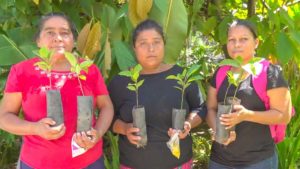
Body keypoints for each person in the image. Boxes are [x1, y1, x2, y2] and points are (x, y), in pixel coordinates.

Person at [0, 12, 114, 169]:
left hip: (89, 162)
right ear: (38, 41)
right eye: (50, 32)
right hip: (37, 163)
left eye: (64, 33)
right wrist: (35, 128)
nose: (58, 38)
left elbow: (106, 106)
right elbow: (4, 117)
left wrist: (98, 133)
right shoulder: (21, 71)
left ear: (73, 41)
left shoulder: (89, 70)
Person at [108, 19, 206, 169]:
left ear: (164, 44)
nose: (151, 48)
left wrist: (188, 124)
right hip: (133, 164)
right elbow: (108, 118)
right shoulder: (121, 82)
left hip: (178, 163)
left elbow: (200, 108)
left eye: (156, 42)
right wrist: (125, 128)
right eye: (143, 43)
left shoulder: (182, 77)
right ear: (134, 48)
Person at [206, 19, 292, 169]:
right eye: (232, 40)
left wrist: (247, 115)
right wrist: (218, 130)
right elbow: (210, 108)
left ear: (256, 43)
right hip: (220, 160)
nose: (237, 44)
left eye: (243, 39)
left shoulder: (270, 73)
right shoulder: (221, 72)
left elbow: (283, 115)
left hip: (258, 161)